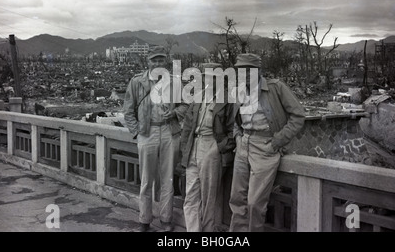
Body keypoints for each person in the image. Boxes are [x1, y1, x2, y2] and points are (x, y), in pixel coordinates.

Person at [229, 53, 305, 232]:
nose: (245, 75)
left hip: (265, 146)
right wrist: (238, 137)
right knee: (237, 198)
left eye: (249, 71)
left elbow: (298, 116)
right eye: (240, 71)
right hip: (244, 144)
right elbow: (234, 120)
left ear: (259, 71)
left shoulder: (275, 87)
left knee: (255, 203)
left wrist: (277, 141)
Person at [123, 46, 187, 232]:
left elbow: (185, 105)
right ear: (148, 62)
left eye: (161, 60)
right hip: (147, 132)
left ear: (165, 62)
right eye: (154, 60)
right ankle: (145, 219)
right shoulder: (137, 82)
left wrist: (174, 113)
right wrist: (137, 132)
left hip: (168, 132)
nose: (158, 63)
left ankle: (166, 219)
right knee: (146, 179)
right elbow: (127, 111)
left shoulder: (175, 82)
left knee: (167, 179)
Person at [179, 63, 236, 232]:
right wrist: (184, 149)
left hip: (211, 146)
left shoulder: (227, 100)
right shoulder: (198, 97)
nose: (209, 80)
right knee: (190, 196)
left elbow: (234, 132)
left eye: (214, 76)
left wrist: (219, 148)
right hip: (194, 146)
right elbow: (188, 127)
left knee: (209, 198)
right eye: (206, 76)